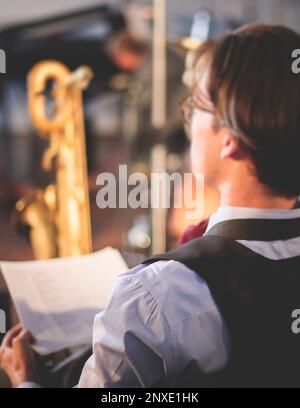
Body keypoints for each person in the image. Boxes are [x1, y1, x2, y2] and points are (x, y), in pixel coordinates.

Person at [2, 23, 300, 388]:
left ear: (230, 141)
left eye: (195, 106)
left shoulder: (157, 297)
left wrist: (25, 381)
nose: (187, 120)